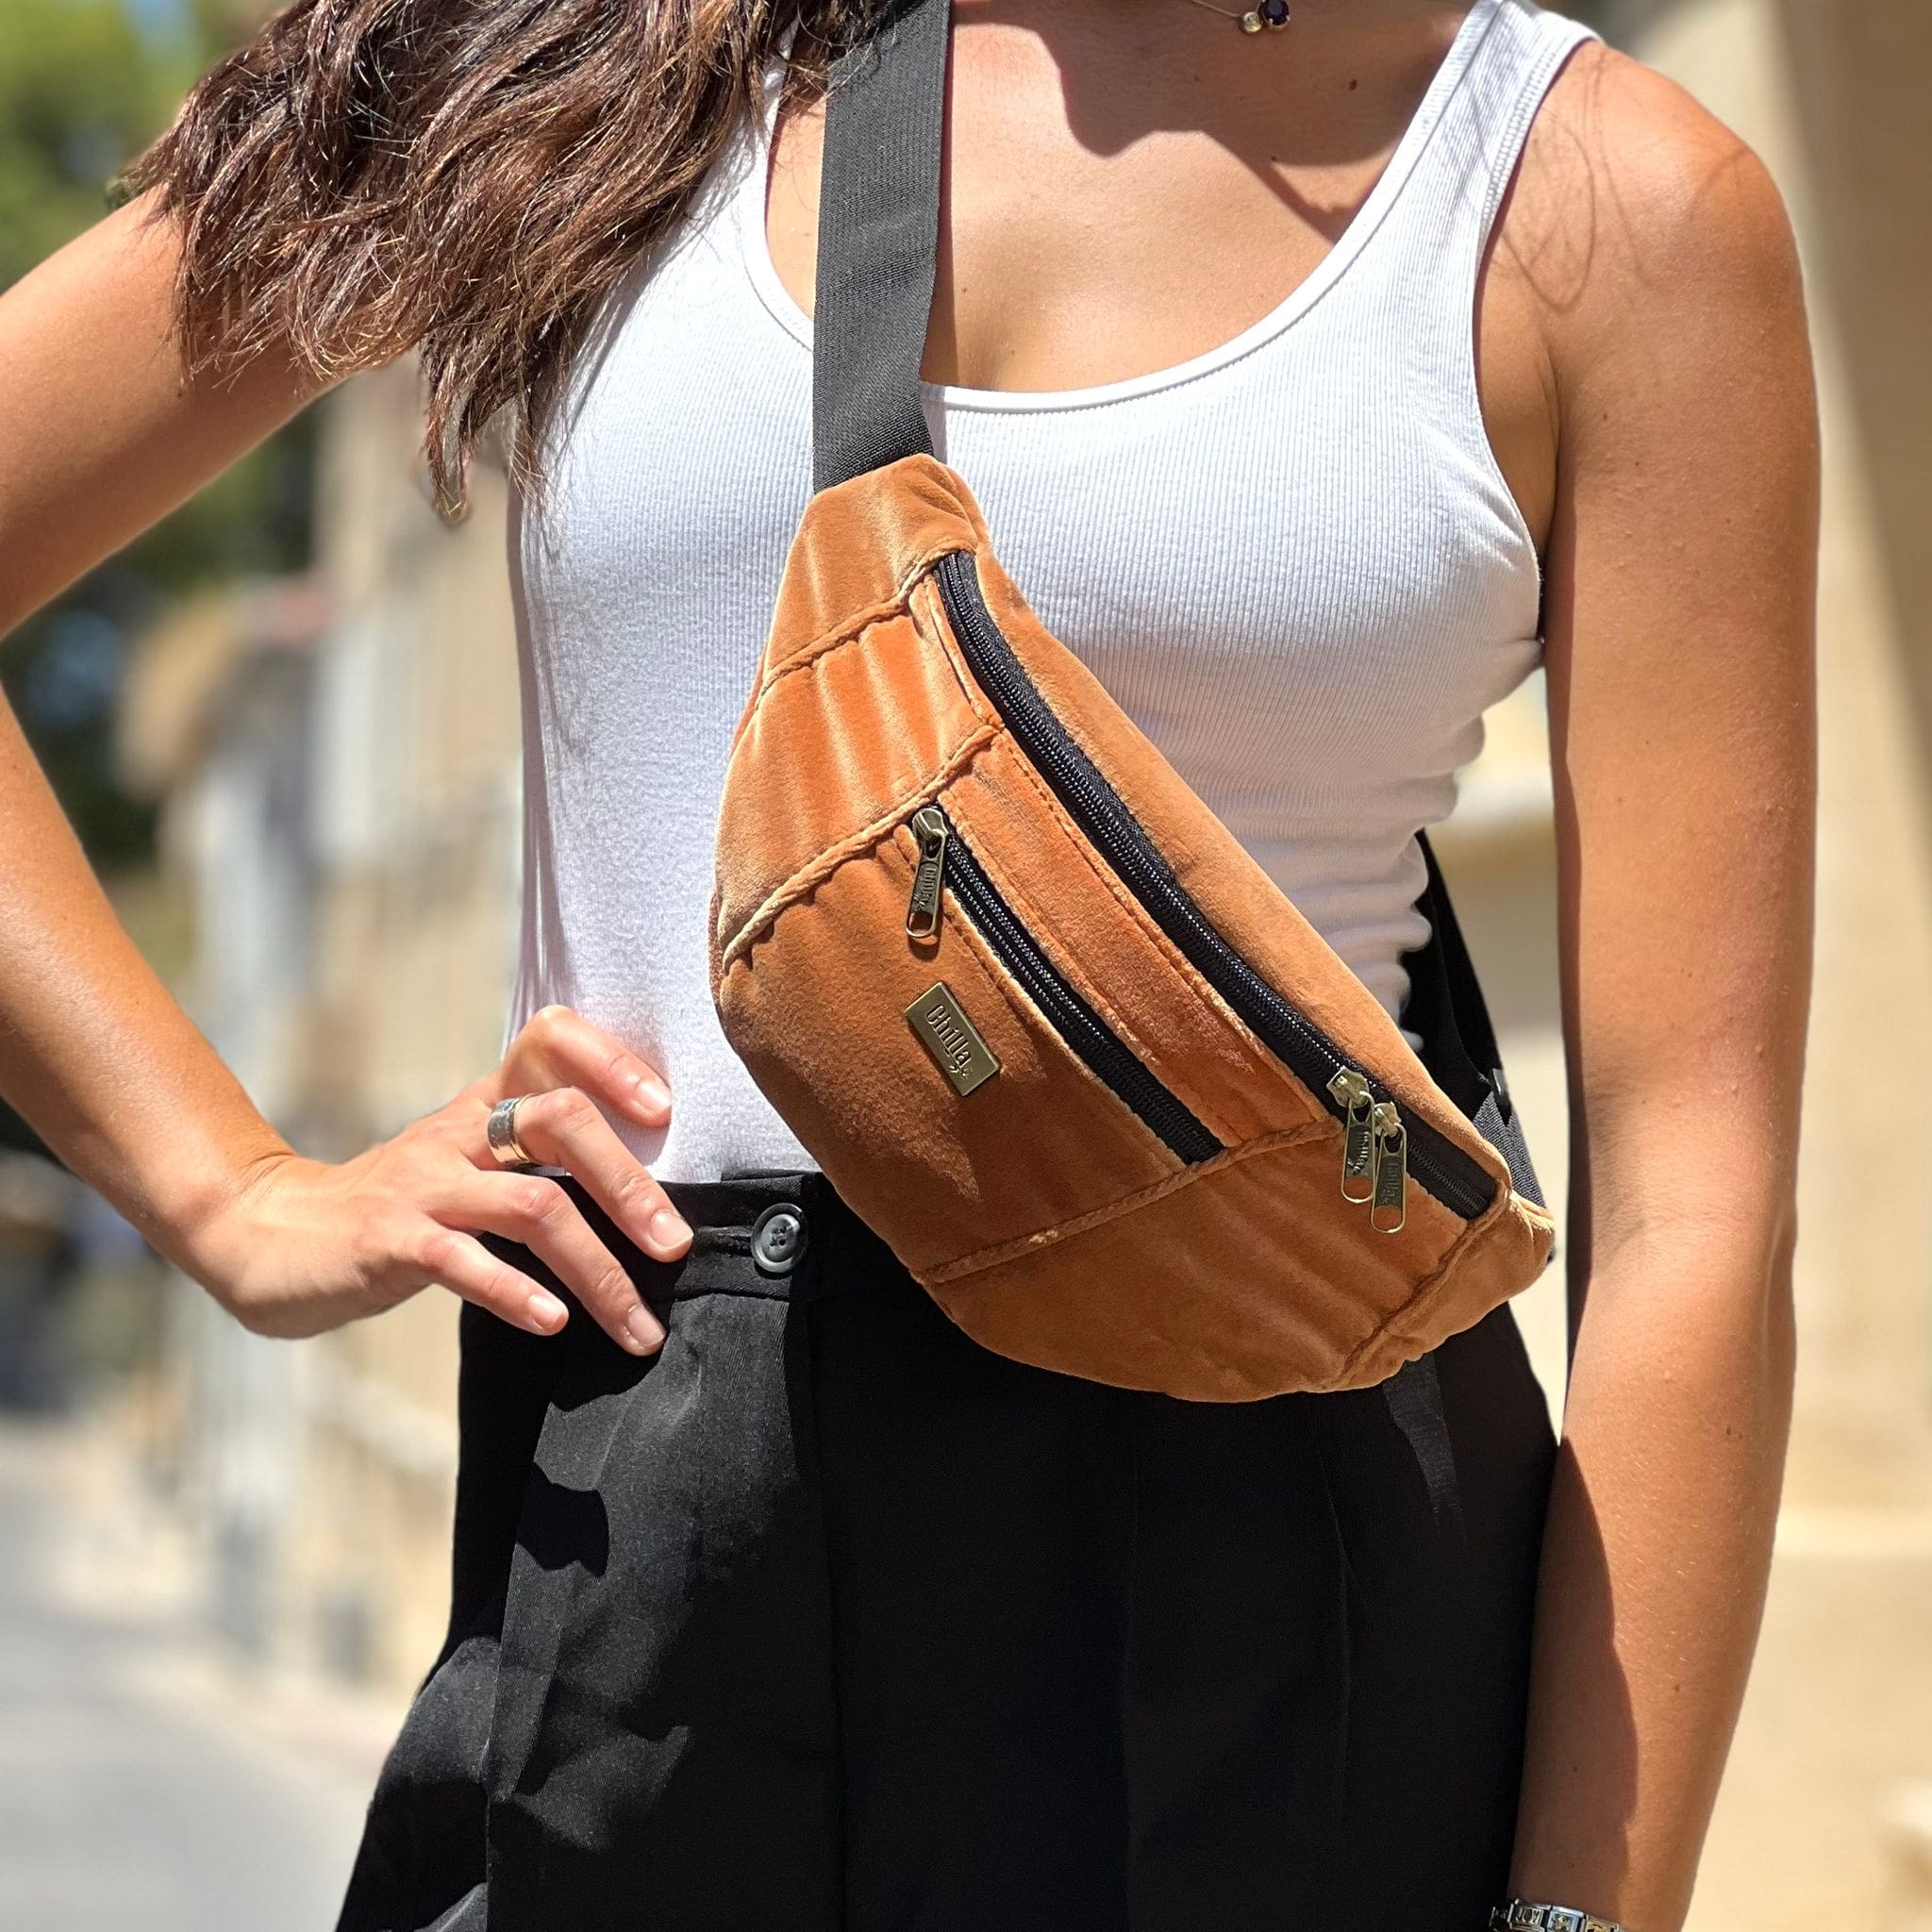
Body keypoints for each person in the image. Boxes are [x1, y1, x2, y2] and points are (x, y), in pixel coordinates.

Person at [0, 0, 1817, 1924]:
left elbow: (1694, 1199)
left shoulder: (1596, 199)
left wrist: (1573, 1912)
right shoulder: (590, 49)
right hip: (659, 1534)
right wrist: (227, 1186)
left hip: (1276, 1589)